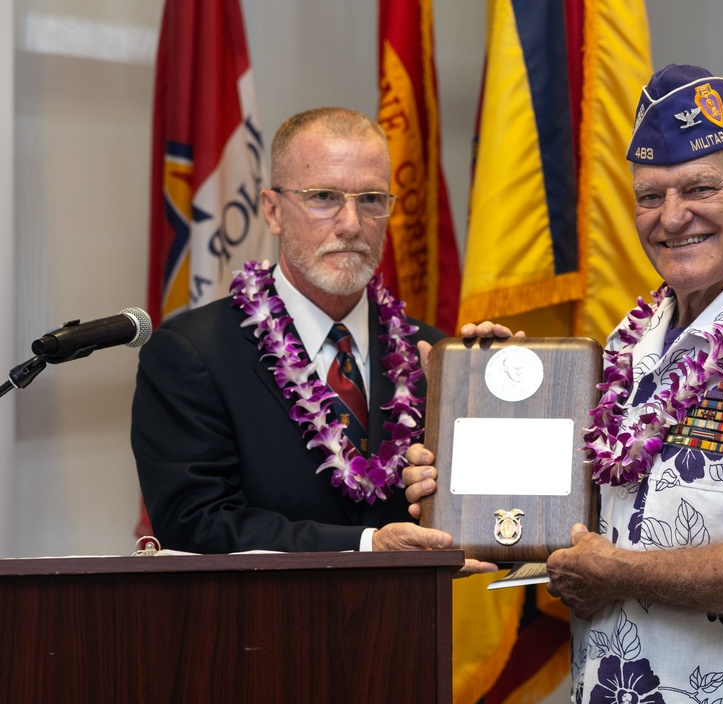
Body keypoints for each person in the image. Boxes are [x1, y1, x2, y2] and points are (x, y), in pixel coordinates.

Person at [405, 65, 723, 704]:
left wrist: (616, 574)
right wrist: (484, 412)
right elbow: (590, 509)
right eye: (650, 196)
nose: (672, 218)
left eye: (699, 187)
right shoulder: (635, 339)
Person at [132, 106, 502, 567]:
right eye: (324, 197)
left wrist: (501, 394)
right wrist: (367, 546)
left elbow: (481, 514)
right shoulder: (193, 353)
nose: (351, 224)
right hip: (257, 630)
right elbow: (195, 524)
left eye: (370, 199)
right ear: (272, 211)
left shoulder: (431, 356)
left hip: (408, 629)